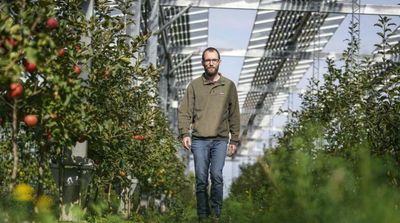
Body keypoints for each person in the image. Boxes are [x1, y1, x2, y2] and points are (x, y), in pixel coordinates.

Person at [178, 47, 240, 222]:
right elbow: (184, 112)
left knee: (217, 176)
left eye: (214, 60)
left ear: (219, 62)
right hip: (199, 140)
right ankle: (203, 216)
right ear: (202, 63)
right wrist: (184, 133)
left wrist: (234, 139)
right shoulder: (194, 86)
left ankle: (216, 215)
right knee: (201, 180)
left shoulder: (228, 86)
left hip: (220, 140)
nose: (211, 63)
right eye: (207, 60)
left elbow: (234, 114)